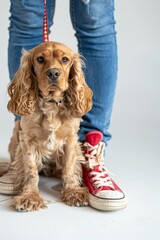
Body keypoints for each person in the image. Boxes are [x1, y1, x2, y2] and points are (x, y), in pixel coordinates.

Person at [0, 0, 127, 211]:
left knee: (95, 17)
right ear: (30, 69)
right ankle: (21, 167)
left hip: (65, 120)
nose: (53, 70)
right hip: (33, 118)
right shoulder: (30, 72)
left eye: (63, 62)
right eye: (42, 61)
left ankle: (90, 152)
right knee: (27, 17)